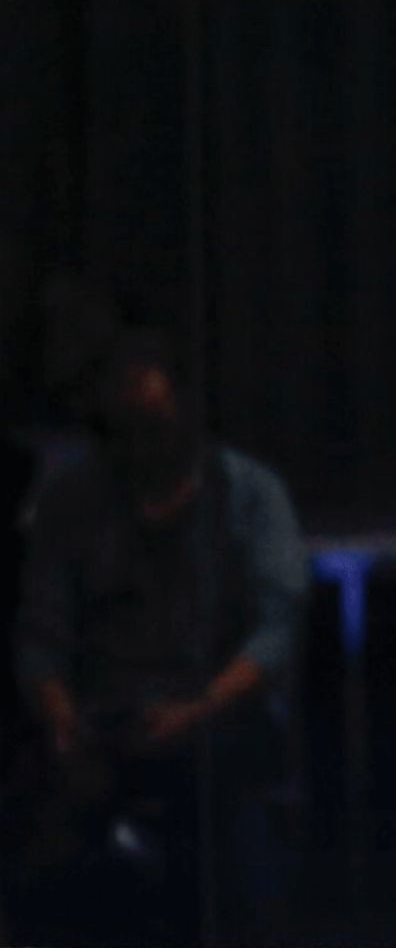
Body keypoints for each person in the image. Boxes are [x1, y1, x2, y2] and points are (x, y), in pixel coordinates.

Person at [11, 329, 308, 945]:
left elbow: (277, 629)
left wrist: (200, 707)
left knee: (231, 812)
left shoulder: (248, 494)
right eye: (126, 432)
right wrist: (62, 719)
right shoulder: (73, 502)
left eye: (156, 428)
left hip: (216, 713)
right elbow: (41, 632)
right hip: (106, 720)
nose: (145, 449)